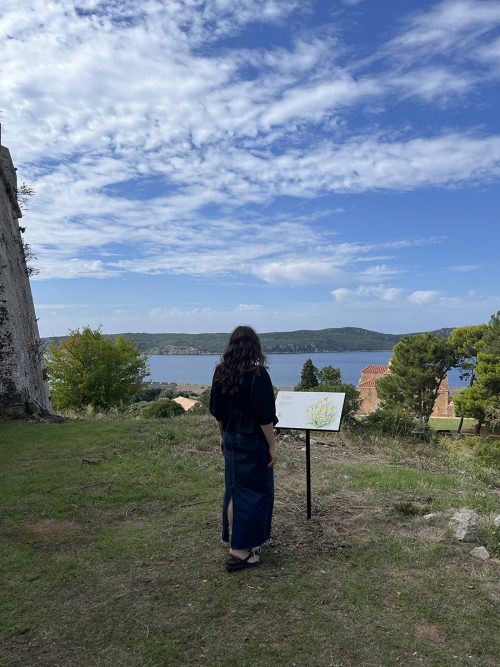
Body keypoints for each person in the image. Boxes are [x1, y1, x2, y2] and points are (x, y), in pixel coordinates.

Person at [209, 325, 277, 572]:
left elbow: (217, 411)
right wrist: (272, 445)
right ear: (255, 347)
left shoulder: (221, 373)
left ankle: (234, 541)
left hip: (231, 436)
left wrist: (223, 436)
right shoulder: (258, 375)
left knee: (234, 489)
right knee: (255, 492)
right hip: (253, 440)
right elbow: (265, 416)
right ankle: (242, 549)